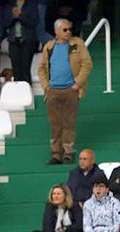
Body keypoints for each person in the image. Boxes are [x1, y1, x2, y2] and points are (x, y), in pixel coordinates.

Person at [39, 19, 93, 164]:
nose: (68, 32)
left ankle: (68, 152)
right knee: (55, 123)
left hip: (71, 89)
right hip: (53, 90)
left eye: (69, 29)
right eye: (65, 30)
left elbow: (87, 64)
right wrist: (46, 87)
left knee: (69, 122)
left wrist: (77, 84)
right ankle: (56, 153)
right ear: (56, 31)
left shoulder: (77, 44)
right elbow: (42, 68)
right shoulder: (49, 47)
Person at [2, 0, 39, 83]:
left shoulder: (32, 3)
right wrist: (13, 17)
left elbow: (33, 22)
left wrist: (20, 16)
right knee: (16, 71)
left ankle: (27, 93)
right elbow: (5, 23)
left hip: (28, 41)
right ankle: (18, 94)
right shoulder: (9, 4)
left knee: (25, 70)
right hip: (13, 41)